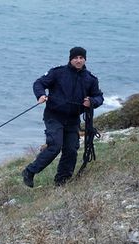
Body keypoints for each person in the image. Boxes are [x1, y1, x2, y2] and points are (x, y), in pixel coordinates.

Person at [22, 46, 104, 187]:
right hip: (54, 116)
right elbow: (39, 83)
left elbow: (99, 97)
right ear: (70, 59)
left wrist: (92, 101)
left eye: (81, 58)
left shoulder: (90, 79)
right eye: (75, 58)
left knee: (71, 150)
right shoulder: (58, 73)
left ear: (85, 59)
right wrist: (41, 95)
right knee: (55, 145)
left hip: (73, 119)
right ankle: (30, 171)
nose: (78, 60)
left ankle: (61, 182)